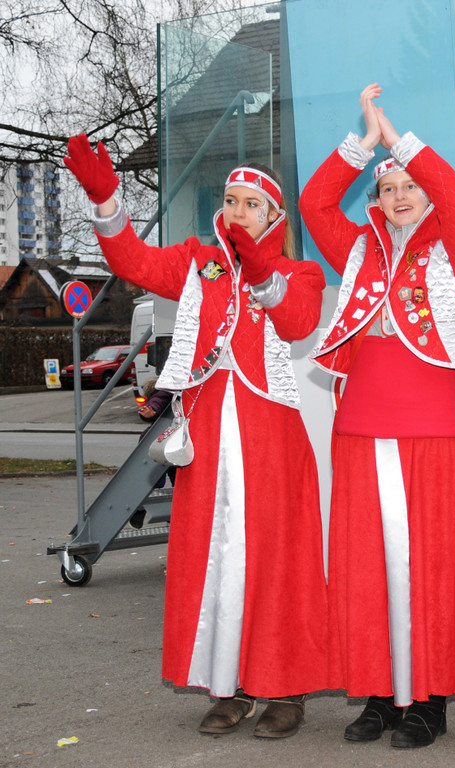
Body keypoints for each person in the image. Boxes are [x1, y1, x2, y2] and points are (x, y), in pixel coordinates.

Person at [63, 135, 329, 739]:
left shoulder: (297, 271)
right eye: (230, 200)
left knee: (276, 559)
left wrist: (259, 266)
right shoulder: (197, 262)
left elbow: (298, 320)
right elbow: (131, 260)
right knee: (214, 559)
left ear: (274, 219)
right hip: (207, 434)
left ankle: (285, 689)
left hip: (272, 439)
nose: (237, 211)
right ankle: (227, 685)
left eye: (251, 204)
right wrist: (105, 200)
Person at [299, 83, 455, 749]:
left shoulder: (454, 248)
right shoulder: (355, 250)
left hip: (430, 422)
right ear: (375, 200)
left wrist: (399, 140)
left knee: (429, 561)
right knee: (367, 563)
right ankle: (381, 693)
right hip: (359, 422)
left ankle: (429, 700)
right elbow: (312, 202)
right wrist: (362, 143)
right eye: (388, 188)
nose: (401, 195)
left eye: (410, 185)